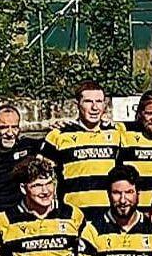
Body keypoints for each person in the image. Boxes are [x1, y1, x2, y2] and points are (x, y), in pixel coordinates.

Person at [40, 80, 122, 221]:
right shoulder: (58, 135)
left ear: (105, 105)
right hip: (71, 216)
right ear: (77, 104)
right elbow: (40, 174)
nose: (94, 107)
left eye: (99, 101)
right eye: (88, 102)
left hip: (109, 217)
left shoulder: (117, 133)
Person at [0, 104, 39, 214]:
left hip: (21, 215)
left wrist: (60, 127)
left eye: (14, 127)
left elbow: (54, 142)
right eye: (3, 127)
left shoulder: (27, 146)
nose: (10, 133)